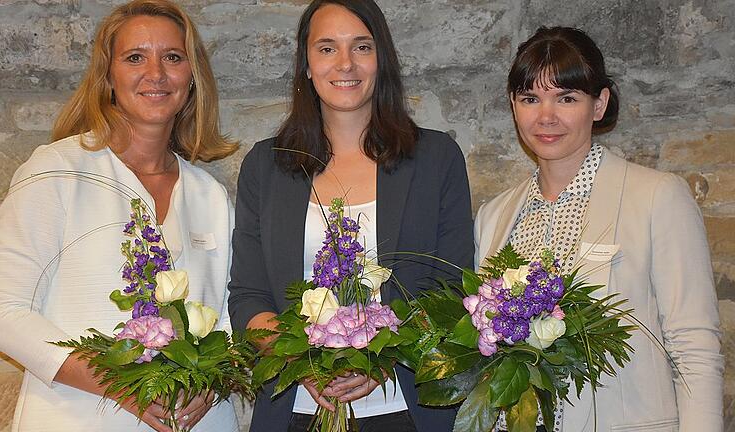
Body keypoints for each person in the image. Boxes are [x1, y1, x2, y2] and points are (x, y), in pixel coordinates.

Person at [0, 1, 240, 431]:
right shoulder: (56, 171)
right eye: (134, 57)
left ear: (192, 77)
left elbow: (229, 317)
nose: (155, 73)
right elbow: (3, 316)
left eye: (173, 58)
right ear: (108, 76)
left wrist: (212, 384)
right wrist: (122, 385)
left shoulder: (209, 194)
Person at [227, 0, 474, 431]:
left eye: (361, 46)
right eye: (326, 48)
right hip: (295, 411)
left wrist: (378, 360)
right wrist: (301, 363)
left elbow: (452, 290)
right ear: (306, 64)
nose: (345, 64)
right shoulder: (266, 166)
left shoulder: (436, 159)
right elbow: (248, 295)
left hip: (405, 410)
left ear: (382, 60)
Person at [474, 26, 723, 431]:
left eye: (566, 98)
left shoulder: (657, 197)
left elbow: (694, 348)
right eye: (530, 99)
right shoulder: (495, 216)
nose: (546, 116)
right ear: (513, 106)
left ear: (599, 103)